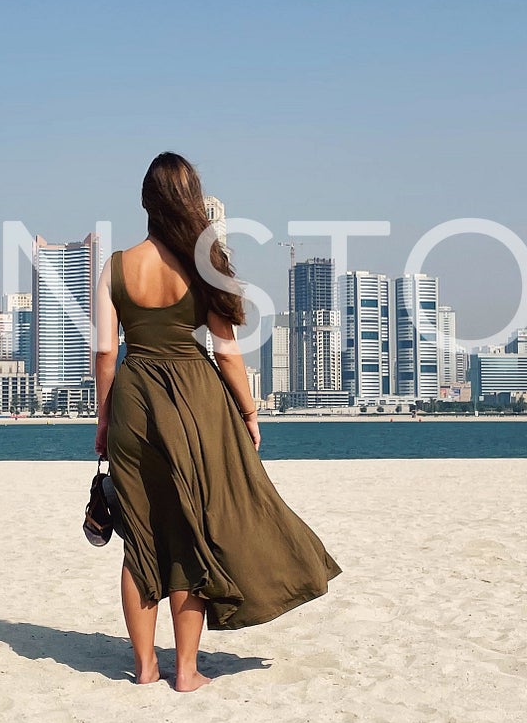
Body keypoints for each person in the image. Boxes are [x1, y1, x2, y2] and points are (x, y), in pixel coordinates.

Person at [93, 152, 341, 692]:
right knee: (189, 532)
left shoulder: (113, 265)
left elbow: (106, 355)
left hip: (134, 398)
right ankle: (185, 672)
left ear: (144, 202)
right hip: (197, 403)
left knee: (141, 535)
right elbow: (227, 352)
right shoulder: (206, 263)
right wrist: (249, 412)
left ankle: (144, 669)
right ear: (191, 199)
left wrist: (104, 419)